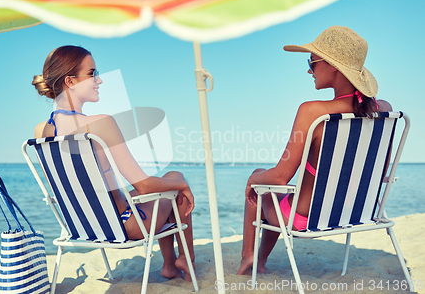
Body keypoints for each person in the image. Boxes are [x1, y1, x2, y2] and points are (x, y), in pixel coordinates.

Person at [31, 45, 196, 281]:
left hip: (84, 227)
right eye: (92, 73)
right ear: (70, 81)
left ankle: (170, 265)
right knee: (174, 179)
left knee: (168, 183)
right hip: (123, 226)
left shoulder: (40, 131)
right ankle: (185, 260)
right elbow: (145, 186)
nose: (99, 80)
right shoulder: (101, 123)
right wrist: (183, 184)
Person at [237, 26, 392, 275]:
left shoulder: (313, 112)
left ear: (332, 65)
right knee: (271, 190)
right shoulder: (382, 110)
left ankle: (250, 257)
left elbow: (279, 178)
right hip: (356, 213)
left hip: (307, 218)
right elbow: (381, 170)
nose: (309, 70)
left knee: (261, 181)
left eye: (312, 61)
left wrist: (252, 179)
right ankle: (257, 259)